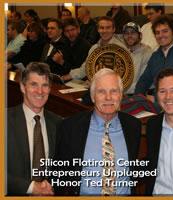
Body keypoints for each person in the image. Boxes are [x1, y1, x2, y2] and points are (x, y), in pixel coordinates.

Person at [54, 68, 141, 195]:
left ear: (121, 95)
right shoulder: (71, 127)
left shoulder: (133, 126)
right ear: (92, 96)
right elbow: (59, 172)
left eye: (114, 91)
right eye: (101, 92)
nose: (108, 97)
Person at [7, 62, 61, 195]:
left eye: (45, 85)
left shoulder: (58, 123)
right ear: (22, 87)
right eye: (33, 84)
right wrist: (31, 187)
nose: (40, 91)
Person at [134, 14, 173, 103]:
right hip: (153, 103)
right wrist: (138, 97)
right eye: (157, 32)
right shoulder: (155, 56)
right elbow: (144, 80)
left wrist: (155, 99)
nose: (161, 35)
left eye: (165, 31)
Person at [63, 16, 127, 81]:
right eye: (102, 28)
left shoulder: (121, 48)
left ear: (114, 29)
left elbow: (124, 74)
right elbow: (85, 69)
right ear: (98, 29)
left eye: (108, 28)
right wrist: (67, 77)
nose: (104, 31)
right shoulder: (94, 48)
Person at [122, 22, 153, 94]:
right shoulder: (123, 54)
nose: (129, 36)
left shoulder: (148, 54)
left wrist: (120, 89)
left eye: (133, 33)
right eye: (126, 33)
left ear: (140, 35)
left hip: (137, 96)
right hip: (121, 94)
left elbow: (143, 83)